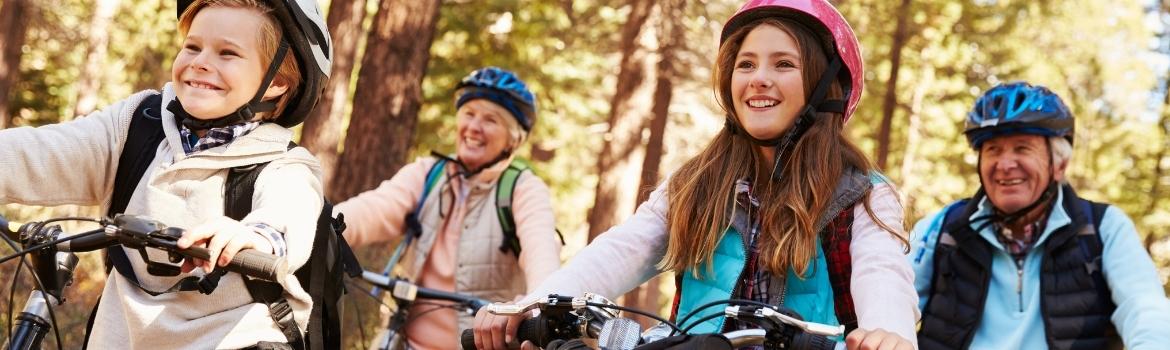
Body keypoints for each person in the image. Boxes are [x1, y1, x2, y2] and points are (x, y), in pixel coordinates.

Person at [473, 0, 918, 349]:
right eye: (746, 64)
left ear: (826, 86)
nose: (759, 78)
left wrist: (888, 333)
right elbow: (625, 248)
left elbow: (883, 273)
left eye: (784, 64)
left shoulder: (862, 194)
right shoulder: (698, 182)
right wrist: (532, 303)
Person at [0, 0, 332, 348]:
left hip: (231, 341)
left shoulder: (285, 165)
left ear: (276, 81)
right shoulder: (137, 126)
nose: (200, 62)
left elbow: (290, 212)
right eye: (192, 46)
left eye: (227, 53)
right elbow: (41, 152)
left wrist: (255, 237)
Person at [909, 82, 1170, 350]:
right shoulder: (942, 228)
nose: (1005, 164)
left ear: (1060, 165)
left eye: (1022, 148)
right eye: (993, 150)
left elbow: (1144, 306)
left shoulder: (1104, 227)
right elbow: (891, 302)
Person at [335, 66, 562, 349]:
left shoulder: (522, 189)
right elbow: (373, 209)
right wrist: (318, 227)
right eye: (469, 114)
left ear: (513, 139)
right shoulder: (428, 174)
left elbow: (541, 251)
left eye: (491, 119)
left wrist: (536, 301)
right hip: (403, 343)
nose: (474, 127)